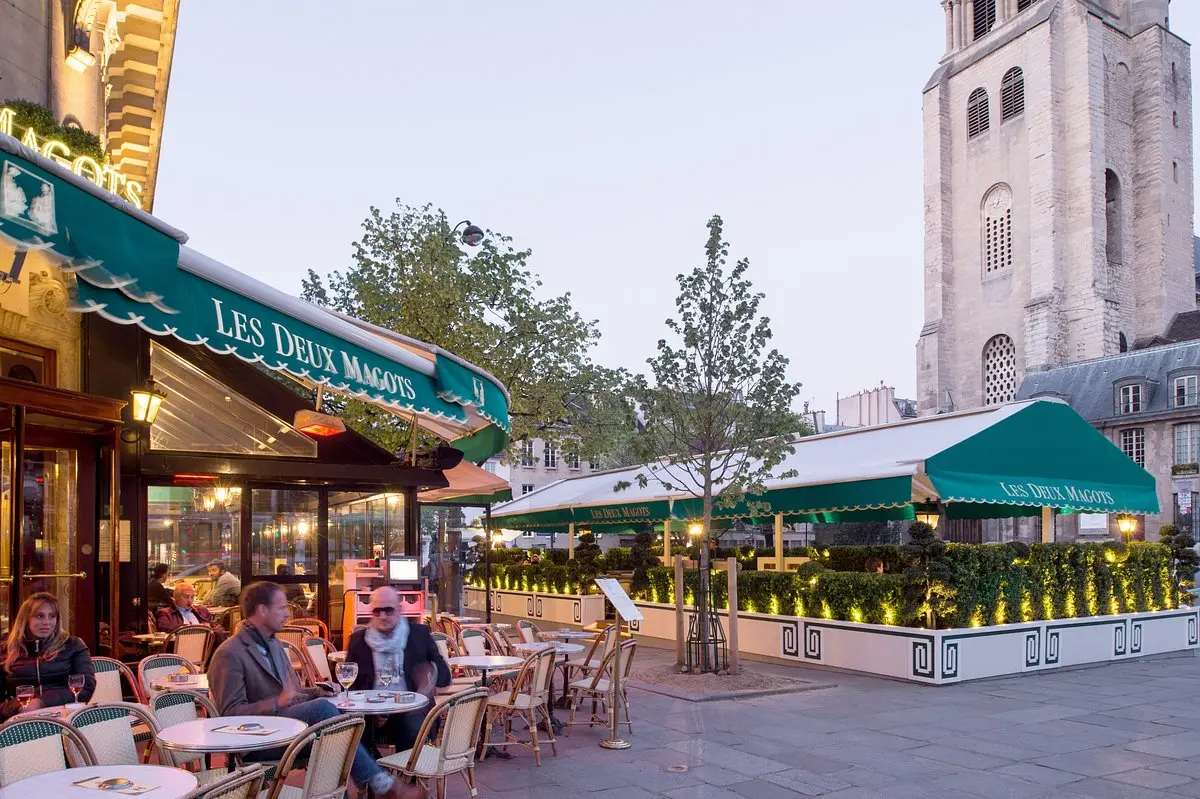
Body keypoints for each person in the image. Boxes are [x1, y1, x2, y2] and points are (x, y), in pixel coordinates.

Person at [207, 582, 417, 799]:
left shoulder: (275, 646)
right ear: (262, 610)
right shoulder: (229, 653)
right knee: (323, 713)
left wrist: (319, 691)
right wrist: (276, 703)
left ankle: (365, 787)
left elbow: (293, 696)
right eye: (281, 608)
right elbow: (229, 716)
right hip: (258, 741)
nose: (287, 614)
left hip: (289, 730)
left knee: (334, 738)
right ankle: (380, 783)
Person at [345, 586, 450, 752]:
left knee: (411, 728)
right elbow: (351, 688)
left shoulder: (419, 634)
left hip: (412, 709)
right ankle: (376, 774)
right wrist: (371, 710)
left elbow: (445, 677)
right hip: (372, 713)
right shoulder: (358, 641)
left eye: (388, 610)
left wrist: (429, 678)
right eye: (377, 611)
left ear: (399, 610)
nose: (383, 616)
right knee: (347, 731)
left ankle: (408, 776)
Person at [0, 593, 95, 720]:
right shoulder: (6, 650)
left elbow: (86, 687)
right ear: (25, 619)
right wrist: (14, 708)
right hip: (21, 719)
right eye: (39, 616)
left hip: (66, 717)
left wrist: (41, 702)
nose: (47, 622)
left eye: (52, 616)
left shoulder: (73, 645)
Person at [155, 584, 227, 636]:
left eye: (192, 597)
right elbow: (165, 628)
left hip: (206, 647)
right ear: (175, 597)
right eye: (186, 597)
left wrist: (214, 627)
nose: (190, 601)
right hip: (181, 646)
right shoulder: (164, 613)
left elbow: (216, 625)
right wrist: (197, 628)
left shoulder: (202, 611)